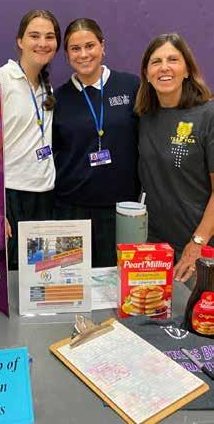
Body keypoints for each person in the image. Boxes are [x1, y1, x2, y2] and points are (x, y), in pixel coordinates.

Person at [53, 18, 140, 267]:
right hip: (71, 209)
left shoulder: (131, 86)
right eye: (75, 48)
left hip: (122, 209)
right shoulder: (57, 98)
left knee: (117, 279)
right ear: (67, 54)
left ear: (103, 46)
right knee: (73, 279)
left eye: (90, 46)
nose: (83, 54)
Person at [0, 9, 61, 270]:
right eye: (34, 36)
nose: (42, 43)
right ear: (20, 41)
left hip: (45, 195)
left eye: (49, 37)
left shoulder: (47, 88)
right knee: (10, 275)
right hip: (10, 195)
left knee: (39, 274)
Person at [135, 33, 214, 283]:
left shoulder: (208, 115)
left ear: (187, 70)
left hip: (199, 250)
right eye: (156, 62)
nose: (164, 67)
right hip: (154, 249)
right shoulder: (144, 117)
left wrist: (198, 243)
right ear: (147, 73)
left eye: (173, 59)